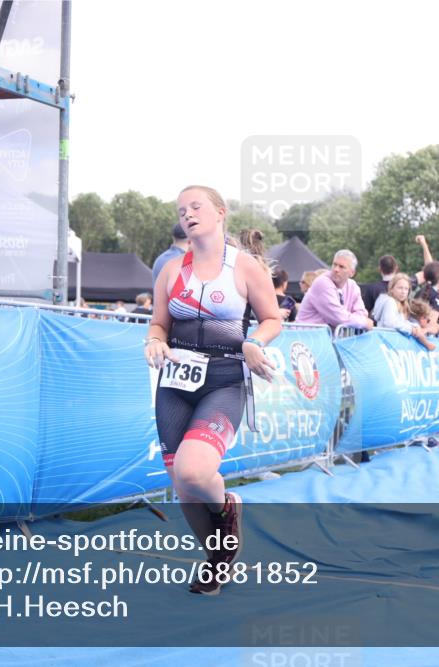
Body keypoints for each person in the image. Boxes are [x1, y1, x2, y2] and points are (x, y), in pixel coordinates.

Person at [146, 185, 281, 596]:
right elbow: (159, 323)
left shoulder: (243, 267)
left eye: (196, 206)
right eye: (181, 209)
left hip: (223, 380)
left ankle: (227, 508)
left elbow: (272, 318)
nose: (187, 214)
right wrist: (154, 340)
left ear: (220, 212)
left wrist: (253, 342)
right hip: (174, 383)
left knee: (193, 471)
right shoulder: (170, 269)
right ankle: (218, 558)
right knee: (182, 484)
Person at [295, 249, 374, 331]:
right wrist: (364, 323)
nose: (336, 269)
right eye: (334, 265)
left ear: (352, 273)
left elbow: (361, 313)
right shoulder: (322, 282)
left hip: (325, 338)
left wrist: (358, 320)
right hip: (307, 337)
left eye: (341, 267)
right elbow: (338, 318)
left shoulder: (353, 286)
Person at [371, 273, 435, 348]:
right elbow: (389, 322)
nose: (403, 291)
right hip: (385, 343)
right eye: (400, 288)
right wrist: (411, 329)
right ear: (391, 289)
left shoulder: (400, 303)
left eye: (406, 289)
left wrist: (413, 326)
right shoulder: (390, 301)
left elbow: (400, 321)